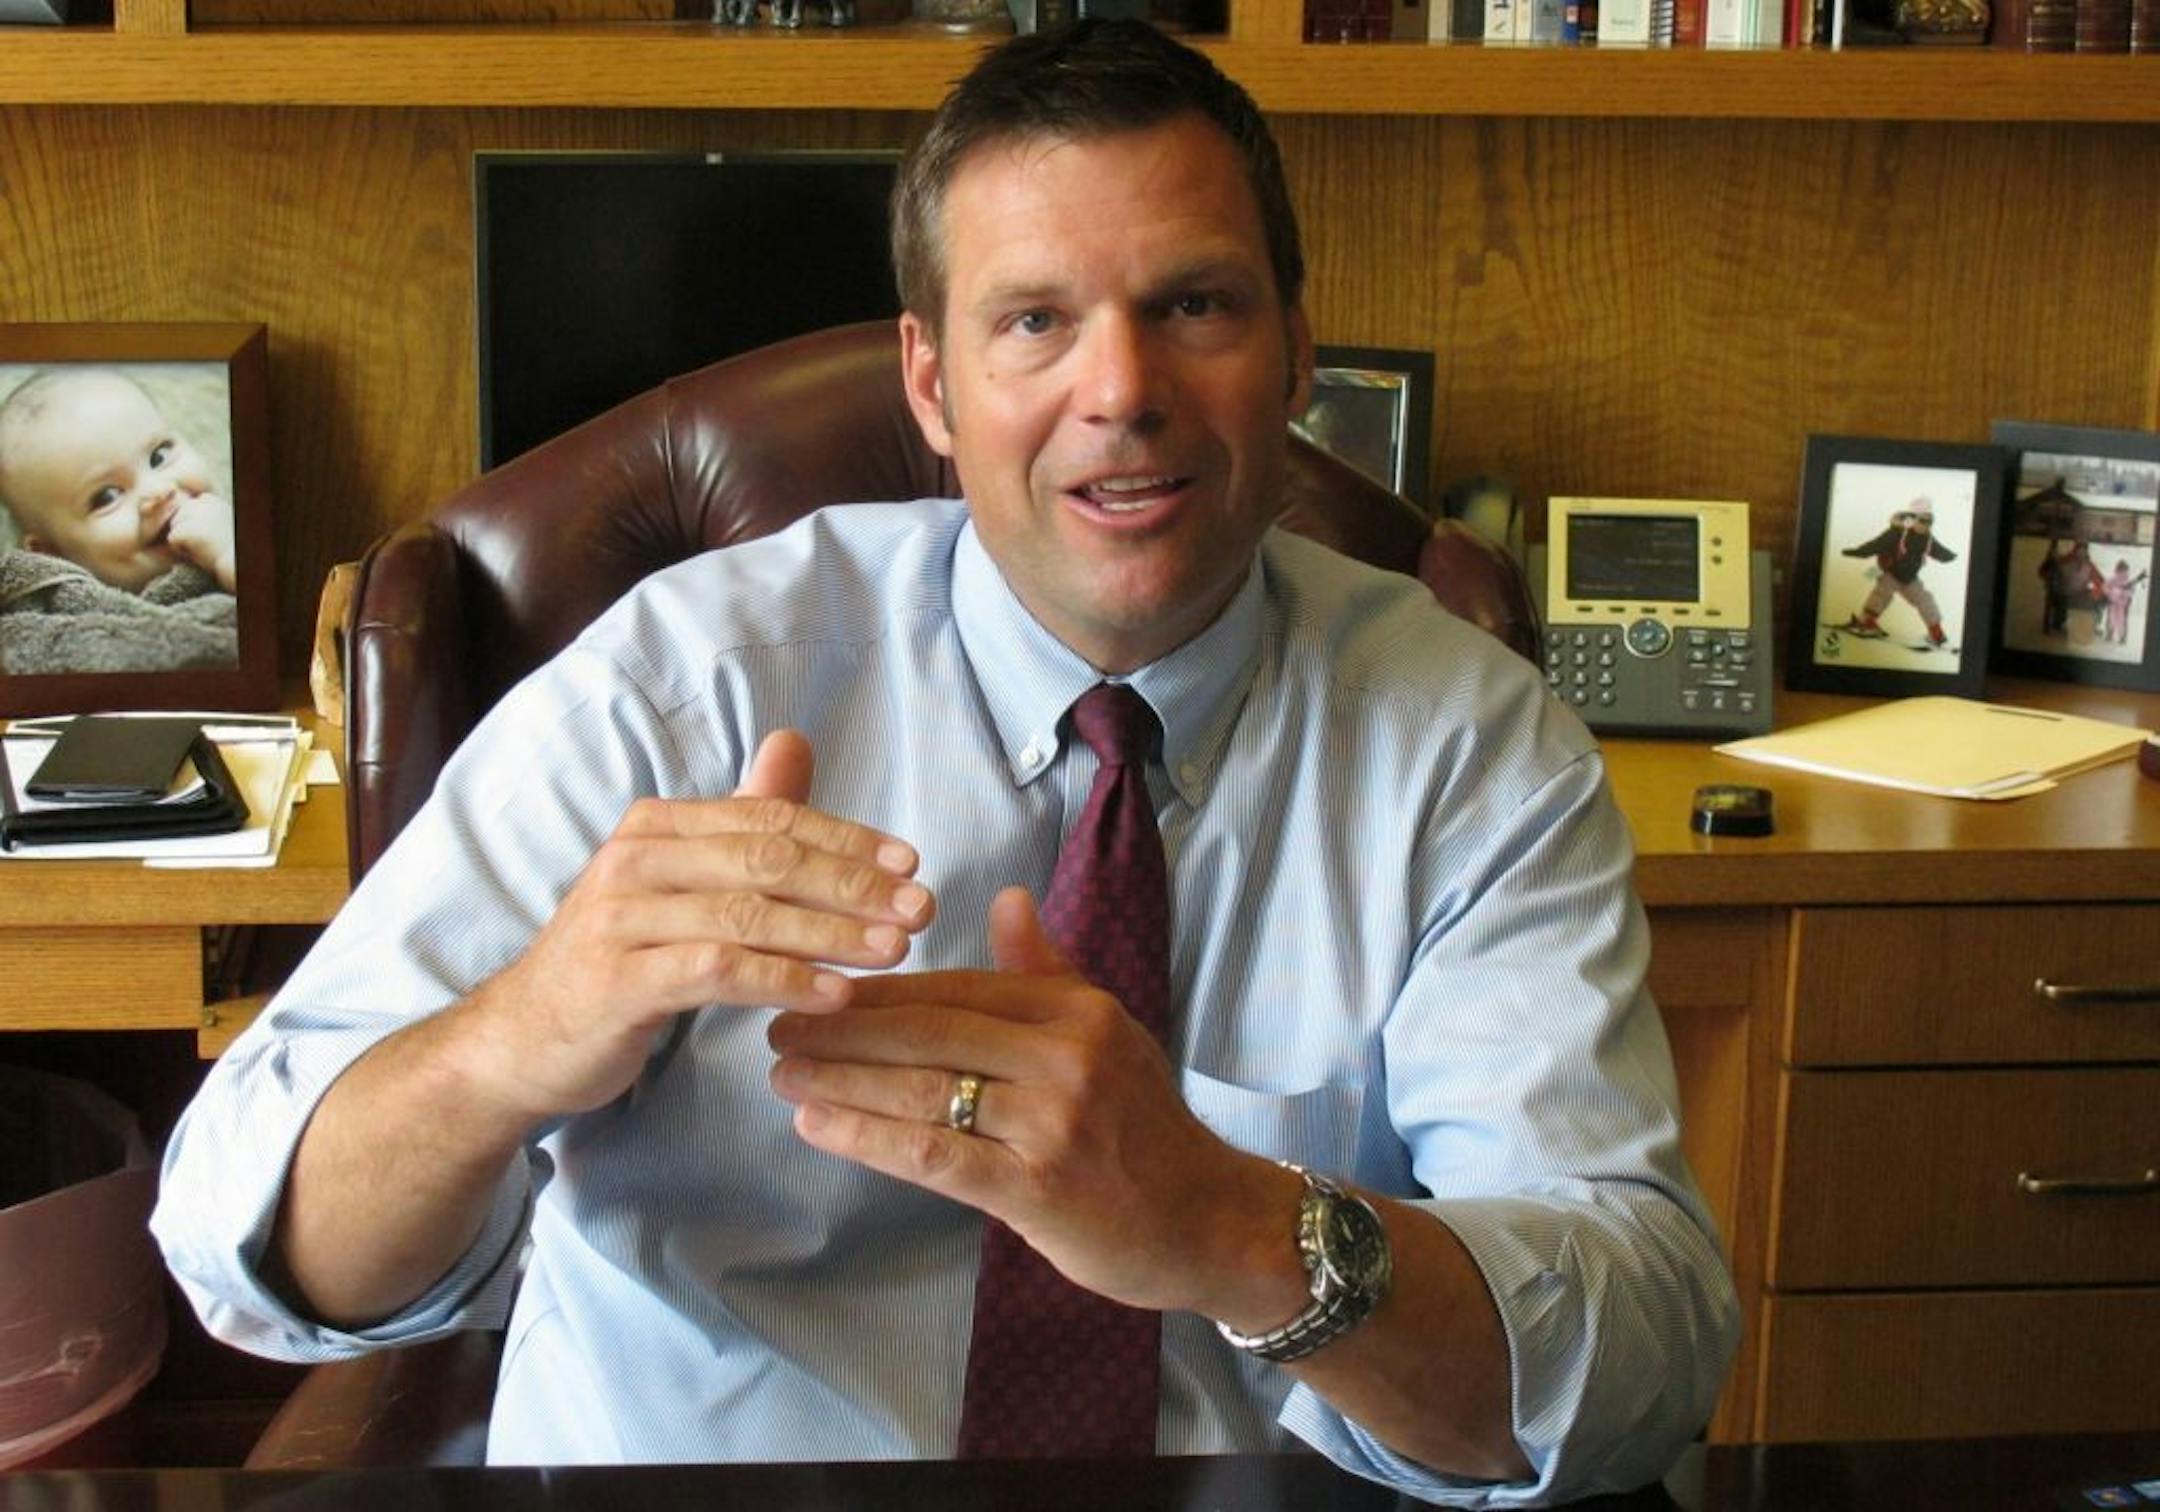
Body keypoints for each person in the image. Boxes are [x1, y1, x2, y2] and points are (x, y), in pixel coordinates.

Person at [152, 19, 1736, 1505]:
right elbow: (247, 1246)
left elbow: (1645, 1354)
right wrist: (522, 1033)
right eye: (1035, 320)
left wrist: (1231, 1223)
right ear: (932, 383)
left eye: (1193, 304)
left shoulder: (1468, 742)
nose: (1119, 392)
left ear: (1297, 351)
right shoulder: (685, 684)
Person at [0, 367, 238, 674]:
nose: (158, 491)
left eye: (158, 457)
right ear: (51, 554)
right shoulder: (57, 628)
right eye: (107, 497)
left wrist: (230, 553)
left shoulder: (238, 535)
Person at [1838, 500, 1956, 647]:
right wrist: (1858, 552)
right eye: (1922, 520)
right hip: (1891, 572)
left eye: (1929, 522)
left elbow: (1939, 551)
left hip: (1910, 578)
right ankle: (1867, 621)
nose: (1925, 525)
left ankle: (1936, 631)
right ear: (1912, 519)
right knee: (1882, 593)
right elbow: (1876, 544)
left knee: (1925, 599)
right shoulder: (1897, 533)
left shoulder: (1928, 539)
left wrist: (1949, 556)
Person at [2103, 558, 2148, 645]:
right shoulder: (2112, 578)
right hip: (2112, 602)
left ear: (2127, 570)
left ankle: (2122, 637)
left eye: (2125, 569)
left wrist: (2124, 594)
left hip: (2123, 604)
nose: (2123, 571)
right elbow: (2105, 587)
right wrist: (2112, 593)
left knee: (2122, 620)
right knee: (2111, 618)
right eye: (2121, 569)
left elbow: (2131, 591)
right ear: (2117, 569)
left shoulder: (2128, 580)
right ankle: (2110, 633)